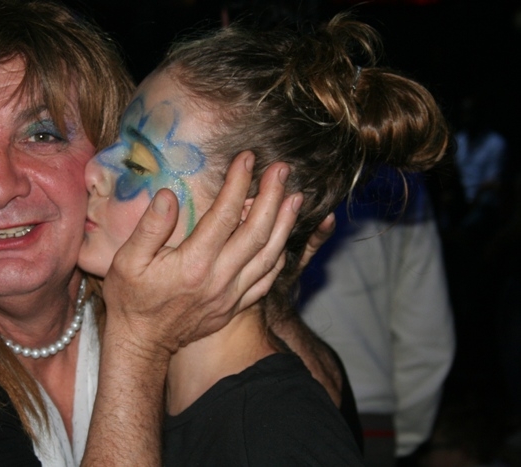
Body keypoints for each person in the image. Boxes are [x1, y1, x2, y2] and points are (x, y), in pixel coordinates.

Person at [0, 1, 326, 465]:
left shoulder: (155, 288)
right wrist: (139, 348)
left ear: (107, 152)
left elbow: (315, 419)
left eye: (42, 135)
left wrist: (259, 283)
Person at [77, 14, 449, 465]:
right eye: (115, 141)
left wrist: (135, 341)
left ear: (247, 220)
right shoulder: (182, 401)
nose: (93, 169)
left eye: (137, 162)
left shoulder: (276, 436)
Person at [300, 169, 455, 466]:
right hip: (365, 414)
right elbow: (426, 331)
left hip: (249, 401)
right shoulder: (398, 171)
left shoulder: (257, 147)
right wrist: (402, 435)